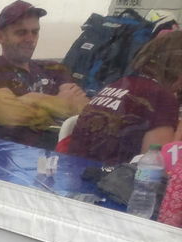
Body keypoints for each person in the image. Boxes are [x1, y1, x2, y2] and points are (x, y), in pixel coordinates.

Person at [0, 0, 87, 148]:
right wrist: (60, 106)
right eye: (21, 33)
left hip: (64, 152)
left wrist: (33, 99)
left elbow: (84, 112)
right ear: (0, 37)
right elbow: (13, 117)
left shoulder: (55, 68)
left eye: (35, 32)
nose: (30, 39)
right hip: (13, 155)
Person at [66, 31, 182, 164]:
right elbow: (156, 165)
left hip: (72, 171)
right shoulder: (162, 98)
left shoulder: (119, 83)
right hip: (111, 180)